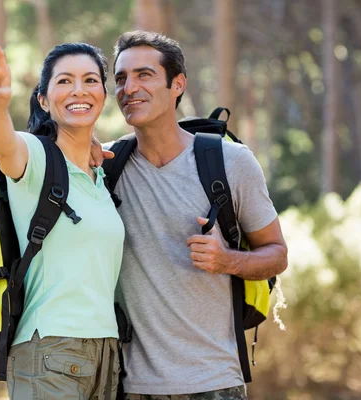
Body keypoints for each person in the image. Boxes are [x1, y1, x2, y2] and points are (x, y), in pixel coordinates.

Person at [94, 31, 288, 400]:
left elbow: (277, 254)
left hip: (213, 382)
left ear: (177, 84)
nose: (129, 88)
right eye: (120, 78)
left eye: (144, 75)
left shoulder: (230, 162)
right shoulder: (105, 165)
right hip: (129, 386)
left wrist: (226, 259)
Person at [0, 41, 124, 400]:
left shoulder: (99, 174)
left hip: (106, 354)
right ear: (43, 99)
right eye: (64, 81)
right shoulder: (36, 157)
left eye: (90, 80)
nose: (79, 90)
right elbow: (4, 147)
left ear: (103, 94)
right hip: (50, 350)